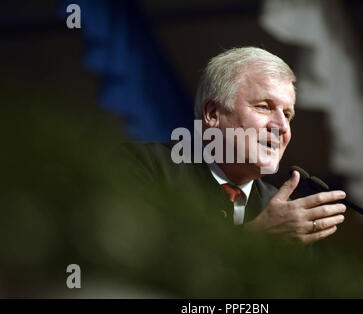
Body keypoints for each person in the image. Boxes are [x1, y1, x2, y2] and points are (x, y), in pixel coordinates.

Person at [121, 47, 347, 245]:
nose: (281, 127)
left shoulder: (286, 215)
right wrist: (259, 234)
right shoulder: (145, 165)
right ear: (212, 114)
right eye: (263, 107)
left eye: (287, 115)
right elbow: (134, 258)